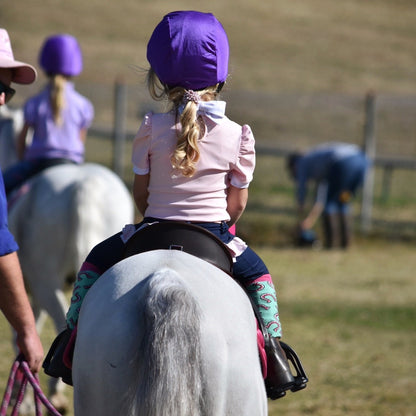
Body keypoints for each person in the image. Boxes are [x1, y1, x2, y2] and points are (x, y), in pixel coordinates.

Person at [44, 11, 306, 398]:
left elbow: (141, 194)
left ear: (159, 79)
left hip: (151, 230)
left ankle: (69, 342)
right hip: (215, 235)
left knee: (94, 262)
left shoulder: (151, 128)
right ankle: (274, 353)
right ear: (221, 76)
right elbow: (237, 203)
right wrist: (223, 225)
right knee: (259, 278)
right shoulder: (239, 135)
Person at [0, 27, 44, 373]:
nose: (3, 99)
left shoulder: (38, 104)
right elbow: (0, 247)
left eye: (8, 92)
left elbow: (22, 146)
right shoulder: (83, 104)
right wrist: (27, 329)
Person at [3, 33, 94, 196]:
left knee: (3, 184)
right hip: (72, 163)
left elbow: (21, 140)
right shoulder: (84, 105)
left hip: (38, 163)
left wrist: (23, 159)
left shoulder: (34, 103)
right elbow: (81, 140)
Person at [287, 142, 369, 249]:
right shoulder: (318, 162)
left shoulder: (302, 162)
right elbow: (319, 200)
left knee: (330, 204)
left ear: (294, 165)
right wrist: (309, 220)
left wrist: (300, 212)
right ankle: (345, 244)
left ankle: (332, 245)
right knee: (343, 202)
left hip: (342, 163)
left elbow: (302, 191)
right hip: (362, 162)